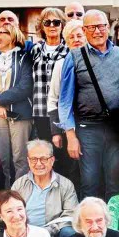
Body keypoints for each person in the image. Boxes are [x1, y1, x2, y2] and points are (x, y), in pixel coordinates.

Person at [58, 10, 119, 201]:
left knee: (114, 181)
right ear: (84, 30)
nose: (97, 31)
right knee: (90, 182)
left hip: (114, 128)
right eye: (91, 27)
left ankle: (111, 219)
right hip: (87, 128)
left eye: (101, 26)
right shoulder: (74, 57)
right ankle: (90, 218)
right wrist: (70, 136)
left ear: (108, 27)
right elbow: (64, 101)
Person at [0, 22, 34, 186]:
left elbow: (25, 86)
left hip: (20, 114)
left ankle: (21, 193)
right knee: (0, 158)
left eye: (1, 33)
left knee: (20, 158)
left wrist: (1, 100)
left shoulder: (25, 58)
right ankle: (3, 194)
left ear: (12, 36)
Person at [11, 139, 78, 237]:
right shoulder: (19, 184)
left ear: (52, 160)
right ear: (28, 161)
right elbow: (11, 210)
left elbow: (70, 216)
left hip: (53, 234)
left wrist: (47, 231)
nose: (38, 163)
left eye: (43, 159)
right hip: (22, 231)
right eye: (34, 159)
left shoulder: (66, 185)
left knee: (69, 233)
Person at [47, 19, 86, 189]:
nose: (76, 39)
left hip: (91, 126)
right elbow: (53, 99)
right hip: (69, 128)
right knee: (72, 171)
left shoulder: (95, 62)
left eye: (79, 35)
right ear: (66, 41)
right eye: (71, 37)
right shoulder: (61, 64)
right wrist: (56, 132)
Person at [30, 8, 69, 142]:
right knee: (45, 149)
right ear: (42, 26)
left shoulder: (68, 50)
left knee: (64, 151)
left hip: (62, 111)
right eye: (47, 23)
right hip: (40, 110)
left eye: (56, 22)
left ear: (62, 25)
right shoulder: (35, 49)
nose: (52, 26)